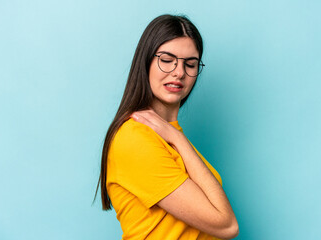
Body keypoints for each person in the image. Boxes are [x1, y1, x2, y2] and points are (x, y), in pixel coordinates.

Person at [94, 14, 239, 239]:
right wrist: (177, 139)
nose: (179, 72)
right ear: (146, 62)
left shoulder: (171, 136)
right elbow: (226, 225)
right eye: (167, 59)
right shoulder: (135, 138)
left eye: (190, 64)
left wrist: (177, 138)